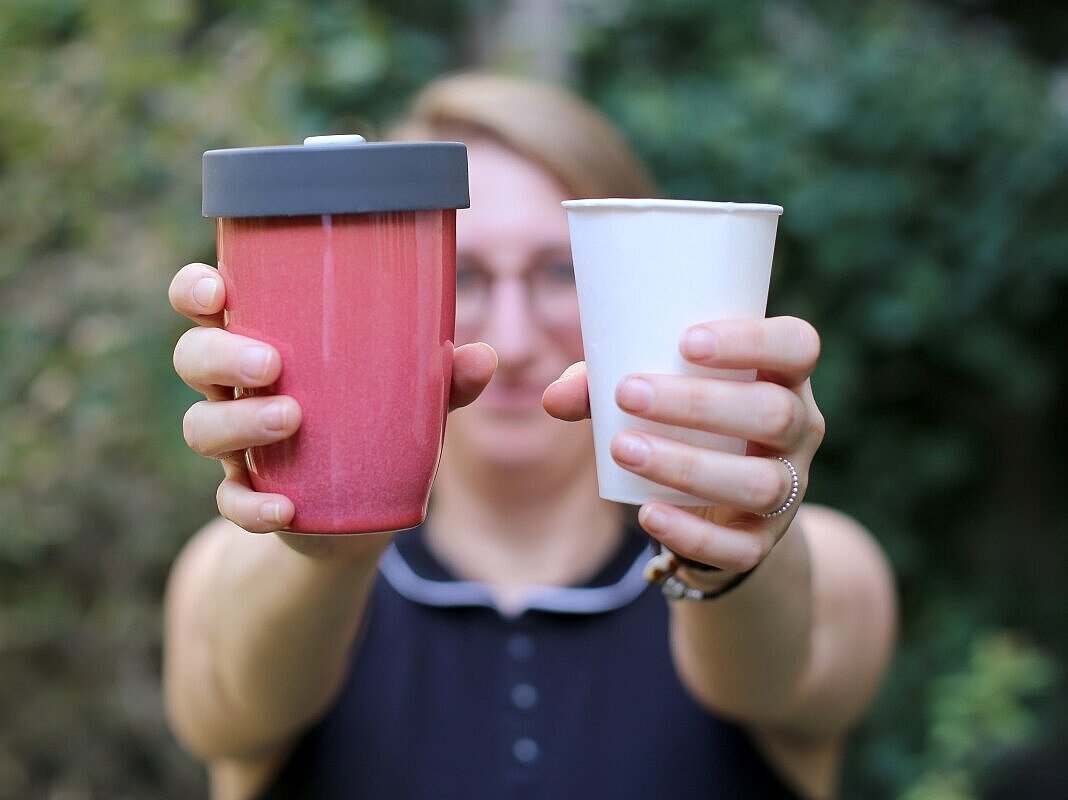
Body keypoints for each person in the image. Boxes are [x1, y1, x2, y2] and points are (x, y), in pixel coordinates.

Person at [164, 73, 896, 800]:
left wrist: (725, 542)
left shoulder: (836, 571)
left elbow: (778, 674)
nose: (512, 343)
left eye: (558, 270)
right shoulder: (233, 579)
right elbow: (235, 703)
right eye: (466, 274)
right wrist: (328, 540)